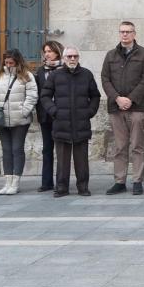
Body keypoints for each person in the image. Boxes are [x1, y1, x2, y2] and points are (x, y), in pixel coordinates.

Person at [100, 21, 144, 196]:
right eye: (122, 32)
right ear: (119, 34)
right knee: (120, 146)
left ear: (134, 34)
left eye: (128, 32)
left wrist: (130, 99)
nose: (125, 35)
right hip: (116, 108)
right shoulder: (110, 55)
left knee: (137, 145)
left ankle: (137, 180)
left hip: (137, 107)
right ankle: (119, 181)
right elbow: (105, 79)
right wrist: (117, 98)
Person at [40, 46, 100, 197]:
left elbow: (95, 96)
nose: (72, 59)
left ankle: (83, 187)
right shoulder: (55, 75)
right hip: (61, 123)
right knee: (62, 159)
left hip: (81, 123)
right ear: (64, 58)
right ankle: (61, 187)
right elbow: (45, 96)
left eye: (75, 56)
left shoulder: (86, 74)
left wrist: (90, 112)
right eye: (69, 56)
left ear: (78, 58)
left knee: (82, 159)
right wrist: (54, 111)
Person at [0, 48, 38, 196]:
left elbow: (32, 95)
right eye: (6, 62)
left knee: (17, 149)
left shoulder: (26, 76)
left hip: (20, 119)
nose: (8, 65)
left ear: (17, 62)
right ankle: (7, 181)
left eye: (11, 62)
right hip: (2, 119)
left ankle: (16, 182)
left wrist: (24, 111)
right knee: (6, 150)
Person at [34, 40, 64, 193]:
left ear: (57, 52)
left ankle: (61, 181)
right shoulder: (40, 71)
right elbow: (38, 93)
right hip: (45, 115)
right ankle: (46, 182)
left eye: (50, 51)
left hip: (61, 115)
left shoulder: (65, 69)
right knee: (47, 149)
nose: (47, 54)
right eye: (45, 51)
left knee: (62, 149)